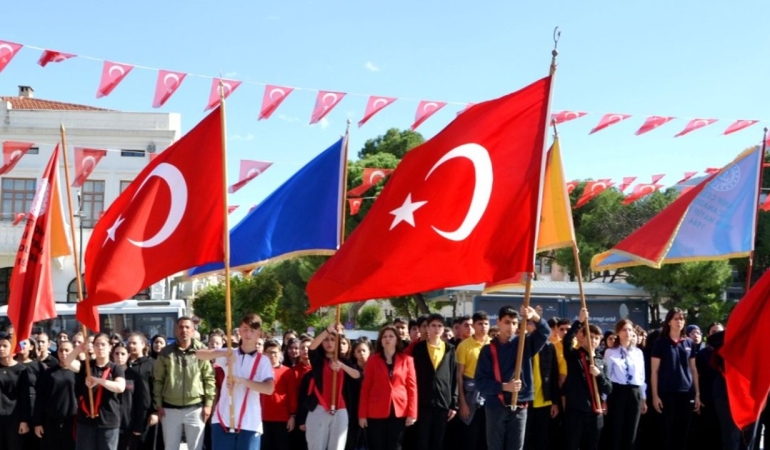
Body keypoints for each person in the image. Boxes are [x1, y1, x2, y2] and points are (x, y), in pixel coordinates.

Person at [475, 306, 550, 450]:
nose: (511, 326)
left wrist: (534, 316)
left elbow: (545, 332)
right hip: (495, 405)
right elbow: (480, 382)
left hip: (520, 406)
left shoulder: (524, 344)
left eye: (514, 323)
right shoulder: (487, 350)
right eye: (507, 322)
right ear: (499, 322)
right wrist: (503, 386)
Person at [197, 313, 275, 449]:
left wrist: (242, 381)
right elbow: (199, 354)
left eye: (252, 330)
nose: (248, 333)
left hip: (250, 423)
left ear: (259, 334)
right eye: (245, 329)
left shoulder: (263, 361)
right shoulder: (229, 353)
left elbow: (269, 389)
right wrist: (223, 353)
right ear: (239, 331)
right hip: (223, 419)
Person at [153, 317, 216, 450]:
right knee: (170, 447)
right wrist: (158, 404)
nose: (184, 330)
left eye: (187, 327)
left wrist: (209, 404)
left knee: (196, 447)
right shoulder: (165, 353)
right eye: (181, 327)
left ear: (193, 331)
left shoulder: (202, 351)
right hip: (169, 409)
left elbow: (209, 378)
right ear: (176, 330)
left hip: (195, 408)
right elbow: (158, 380)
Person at [358, 325, 417, 450]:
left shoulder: (407, 360)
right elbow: (365, 388)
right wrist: (362, 414)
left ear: (397, 339)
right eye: (384, 336)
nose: (387, 339)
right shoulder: (372, 360)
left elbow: (412, 388)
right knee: (376, 445)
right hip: (375, 411)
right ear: (380, 341)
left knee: (395, 446)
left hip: (399, 410)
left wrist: (412, 413)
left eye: (391, 336)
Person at [304, 323, 361, 450]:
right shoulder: (318, 360)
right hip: (319, 408)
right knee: (315, 446)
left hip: (340, 410)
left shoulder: (344, 361)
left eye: (332, 339)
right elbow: (311, 348)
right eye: (326, 339)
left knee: (337, 447)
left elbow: (358, 375)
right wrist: (327, 330)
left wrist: (342, 366)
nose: (329, 343)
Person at [64, 333, 126, 450]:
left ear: (109, 347)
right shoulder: (87, 366)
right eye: (97, 344)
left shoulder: (115, 368)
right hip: (86, 420)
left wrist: (98, 380)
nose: (100, 347)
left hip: (108, 420)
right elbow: (68, 363)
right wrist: (79, 348)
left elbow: (120, 387)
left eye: (103, 344)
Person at [650, 308, 701, 450]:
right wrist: (655, 395)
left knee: (683, 431)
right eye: (676, 318)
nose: (679, 321)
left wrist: (697, 394)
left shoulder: (689, 343)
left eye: (682, 319)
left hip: (687, 392)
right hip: (666, 392)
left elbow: (693, 369)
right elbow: (654, 370)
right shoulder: (661, 342)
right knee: (666, 431)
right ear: (669, 321)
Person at [561, 309, 612, 450]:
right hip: (576, 410)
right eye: (590, 337)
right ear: (582, 337)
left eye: (596, 338)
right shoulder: (574, 356)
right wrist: (579, 321)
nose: (593, 341)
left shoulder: (601, 361)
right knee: (572, 444)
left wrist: (599, 375)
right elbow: (566, 341)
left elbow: (608, 388)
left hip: (595, 412)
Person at [411, 314, 458, 448]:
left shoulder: (450, 349)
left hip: (443, 403)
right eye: (433, 325)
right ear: (428, 328)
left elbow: (454, 376)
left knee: (438, 441)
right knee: (422, 441)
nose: (436, 329)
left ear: (443, 329)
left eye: (439, 326)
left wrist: (454, 404)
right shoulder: (418, 349)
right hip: (423, 402)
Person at [603, 319, 646, 450]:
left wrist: (643, 398)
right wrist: (604, 399)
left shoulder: (638, 353)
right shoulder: (610, 352)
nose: (627, 333)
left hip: (635, 391)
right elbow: (607, 376)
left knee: (632, 430)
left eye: (629, 330)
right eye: (624, 330)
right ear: (618, 333)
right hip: (617, 392)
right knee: (617, 429)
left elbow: (641, 376)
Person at [523, 318, 560, 450]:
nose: (533, 326)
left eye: (535, 323)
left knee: (542, 438)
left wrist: (554, 402)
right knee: (524, 438)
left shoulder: (549, 346)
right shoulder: (521, 344)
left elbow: (554, 374)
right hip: (526, 401)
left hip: (544, 401)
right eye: (530, 323)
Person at [33, 340, 77, 450]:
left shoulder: (78, 373)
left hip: (72, 420)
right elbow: (40, 398)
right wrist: (38, 422)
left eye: (67, 350)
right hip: (51, 420)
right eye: (61, 350)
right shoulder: (49, 373)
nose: (64, 353)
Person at [456, 310, 490, 450]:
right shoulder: (464, 346)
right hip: (471, 394)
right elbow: (459, 375)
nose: (483, 327)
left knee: (487, 436)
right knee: (471, 435)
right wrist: (462, 403)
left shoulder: (493, 343)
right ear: (474, 326)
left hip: (490, 394)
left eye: (486, 324)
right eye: (480, 324)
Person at [260, 339, 296, 450]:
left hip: (281, 419)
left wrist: (292, 416)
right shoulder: (258, 371)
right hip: (261, 418)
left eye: (275, 352)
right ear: (264, 353)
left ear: (280, 353)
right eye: (269, 352)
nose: (272, 355)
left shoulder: (287, 371)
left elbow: (292, 394)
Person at [126, 332, 159, 450]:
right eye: (129, 343)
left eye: (134, 343)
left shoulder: (152, 364)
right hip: (128, 412)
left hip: (146, 413)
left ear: (144, 345)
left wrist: (155, 411)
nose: (131, 345)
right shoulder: (124, 365)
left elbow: (156, 388)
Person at [0, 332, 31, 449]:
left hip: (14, 418)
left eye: (4, 346)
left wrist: (24, 420)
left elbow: (24, 397)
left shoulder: (21, 369)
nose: (1, 349)